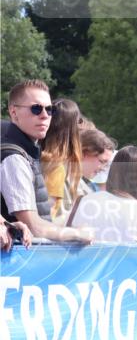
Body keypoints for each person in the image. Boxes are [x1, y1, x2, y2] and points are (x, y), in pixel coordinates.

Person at [1, 80, 93, 244]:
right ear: (14, 112)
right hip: (17, 257)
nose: (45, 115)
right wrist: (78, 234)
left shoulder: (27, 152)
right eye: (36, 109)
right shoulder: (14, 158)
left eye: (50, 110)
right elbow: (34, 227)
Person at [67, 145, 137, 274]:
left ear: (113, 170)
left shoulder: (85, 201)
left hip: (86, 280)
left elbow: (67, 244)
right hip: (126, 282)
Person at [40, 99, 85, 223]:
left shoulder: (34, 156)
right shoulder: (55, 167)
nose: (81, 127)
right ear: (72, 129)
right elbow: (46, 215)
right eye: (79, 121)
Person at [77, 127, 117, 198]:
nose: (103, 168)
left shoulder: (82, 186)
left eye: (106, 164)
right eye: (102, 161)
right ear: (85, 153)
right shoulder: (63, 179)